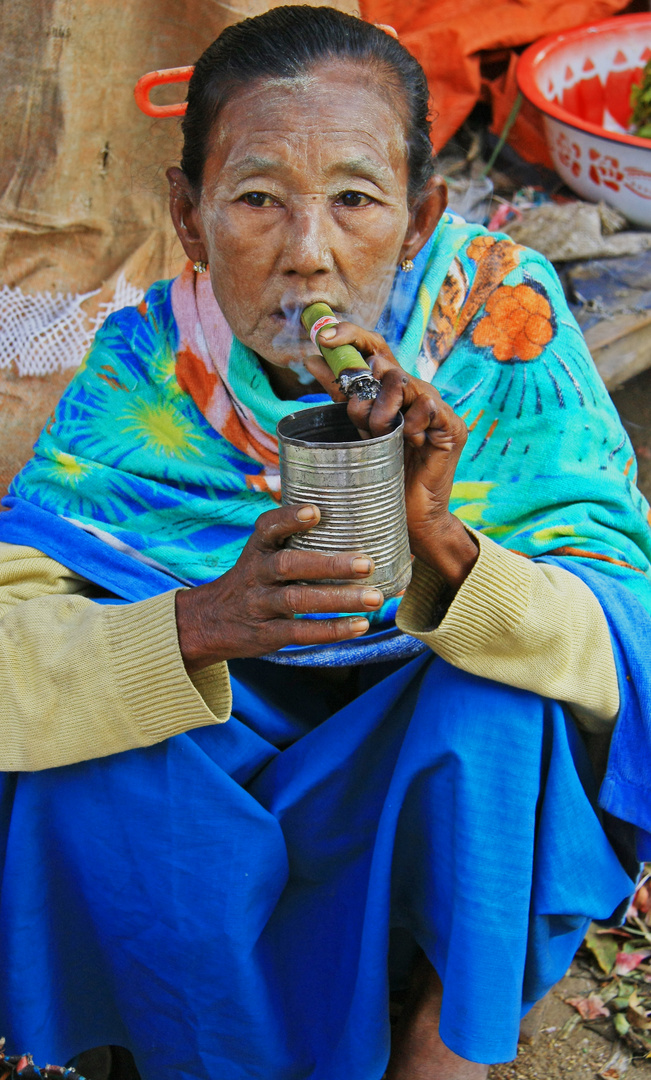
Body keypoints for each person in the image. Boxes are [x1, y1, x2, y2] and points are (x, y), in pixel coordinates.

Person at [0, 7, 650, 1080]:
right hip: (225, 762)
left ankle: (443, 1040)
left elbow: (622, 643)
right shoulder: (145, 369)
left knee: (508, 708)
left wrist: (441, 543)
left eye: (356, 200)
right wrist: (200, 621)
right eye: (256, 198)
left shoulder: (497, 321)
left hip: (415, 751)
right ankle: (185, 1038)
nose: (308, 255)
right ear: (188, 214)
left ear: (421, 211)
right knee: (90, 761)